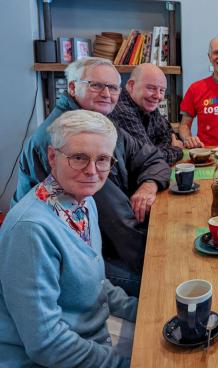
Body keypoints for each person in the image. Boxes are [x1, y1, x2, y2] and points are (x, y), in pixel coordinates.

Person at [13, 57, 170, 297]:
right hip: (69, 262)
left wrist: (149, 185)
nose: (107, 94)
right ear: (73, 87)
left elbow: (152, 158)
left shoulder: (101, 125)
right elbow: (117, 224)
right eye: (96, 85)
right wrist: (161, 255)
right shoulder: (65, 136)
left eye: (112, 87)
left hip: (100, 243)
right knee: (168, 281)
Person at [0, 110, 137, 367]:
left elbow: (98, 285)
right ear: (53, 157)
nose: (92, 171)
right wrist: (124, 363)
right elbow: (47, 344)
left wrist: (141, 310)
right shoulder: (31, 230)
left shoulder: (83, 202)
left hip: (92, 336)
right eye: (78, 158)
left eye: (103, 159)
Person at [109, 63, 184, 164]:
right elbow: (149, 159)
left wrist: (155, 149)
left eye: (162, 90)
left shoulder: (146, 104)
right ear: (131, 85)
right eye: (151, 88)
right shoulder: (122, 110)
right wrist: (176, 149)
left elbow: (169, 135)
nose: (157, 96)